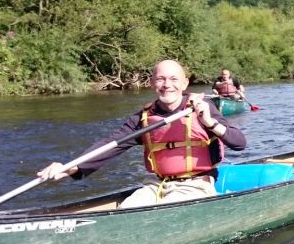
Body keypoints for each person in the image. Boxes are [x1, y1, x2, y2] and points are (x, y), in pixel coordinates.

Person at [37, 60, 248, 209]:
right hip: (156, 185)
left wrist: (210, 123)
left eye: (174, 79)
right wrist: (69, 168)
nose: (167, 85)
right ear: (152, 83)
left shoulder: (202, 107)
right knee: (126, 210)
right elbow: (111, 145)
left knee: (165, 212)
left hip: (195, 184)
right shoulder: (144, 117)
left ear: (184, 84)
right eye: (161, 79)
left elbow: (239, 143)